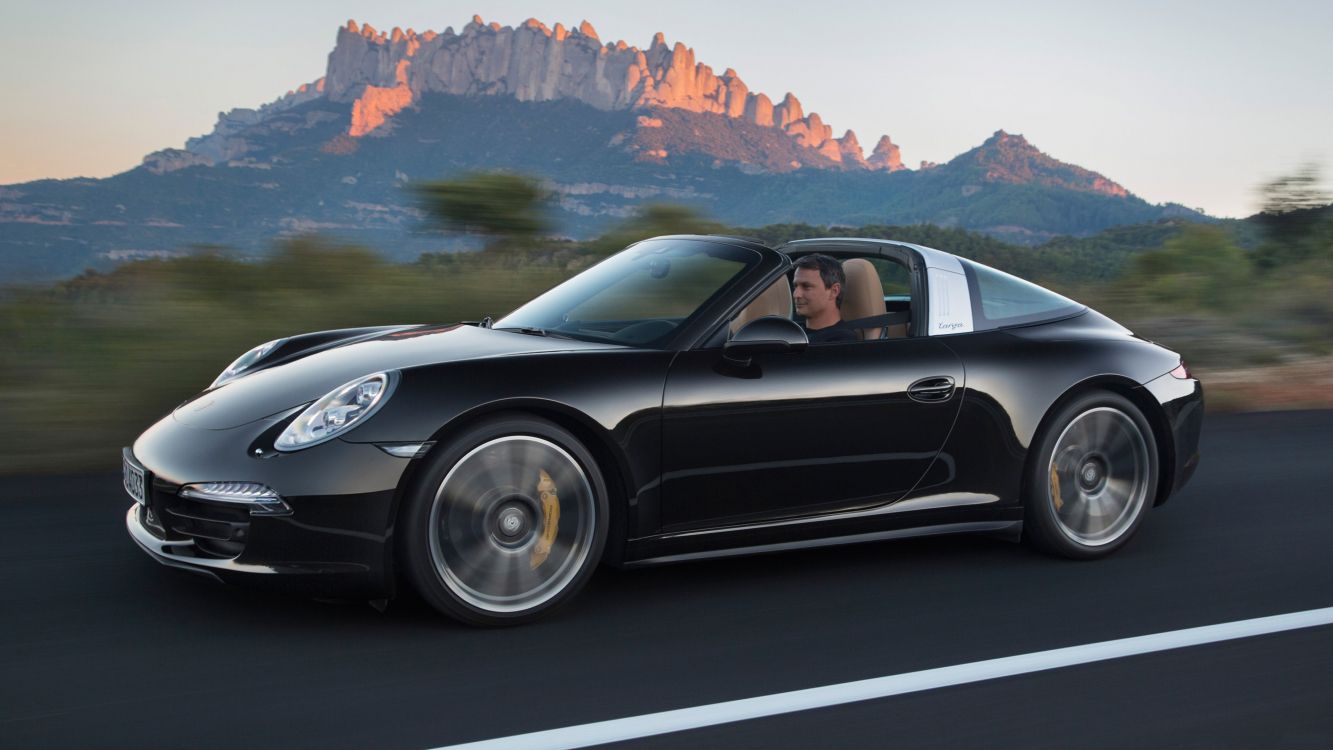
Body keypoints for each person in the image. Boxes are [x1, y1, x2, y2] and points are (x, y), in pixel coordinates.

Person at [792, 254, 857, 343]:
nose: (796, 294)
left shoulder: (842, 341)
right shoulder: (793, 331)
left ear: (834, 291)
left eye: (806, 286)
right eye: (795, 286)